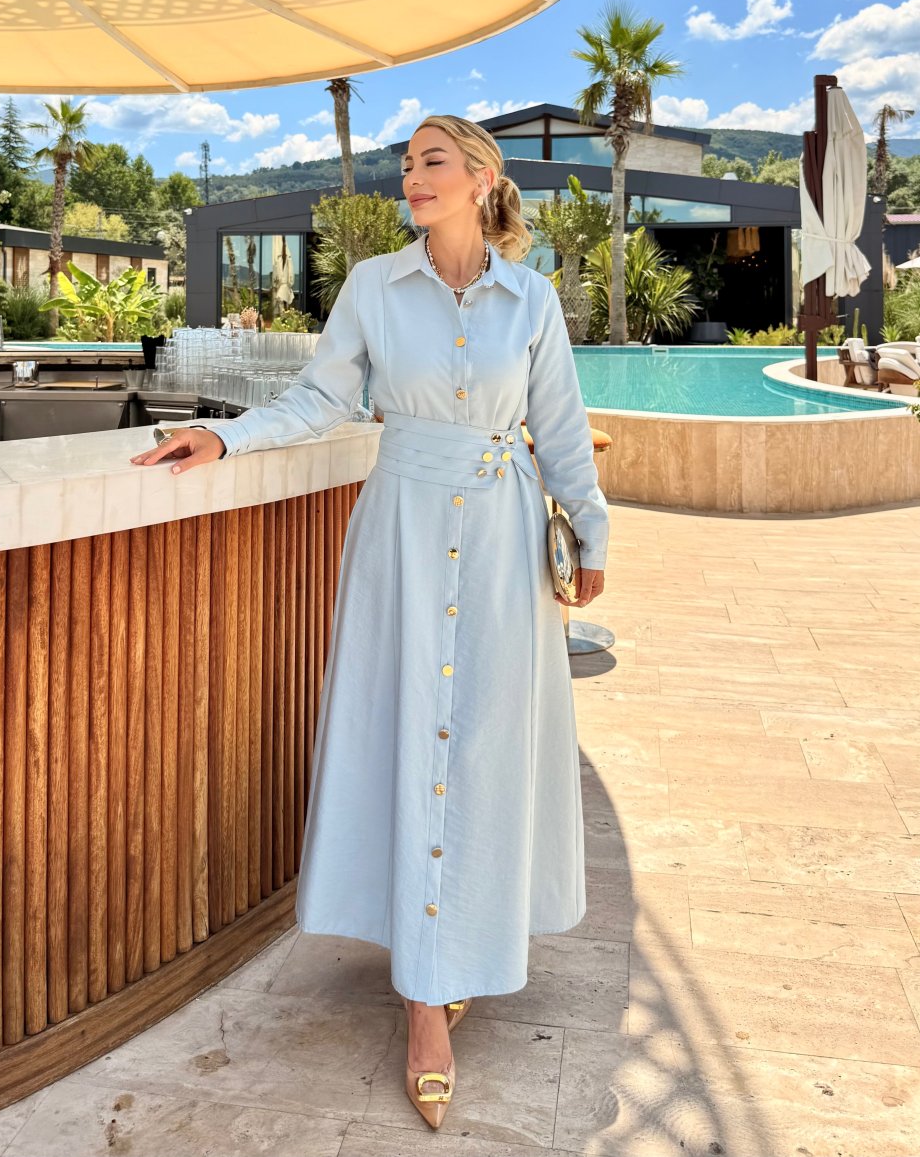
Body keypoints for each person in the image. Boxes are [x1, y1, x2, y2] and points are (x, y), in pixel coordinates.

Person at [130, 114, 609, 1130]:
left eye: (432, 161)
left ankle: (461, 945)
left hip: (503, 539)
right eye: (406, 164)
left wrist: (593, 532)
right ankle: (425, 1000)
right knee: (410, 736)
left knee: (482, 747)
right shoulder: (372, 288)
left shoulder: (531, 299)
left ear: (480, 177)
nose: (411, 177)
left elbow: (561, 429)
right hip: (401, 531)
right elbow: (319, 399)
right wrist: (225, 435)